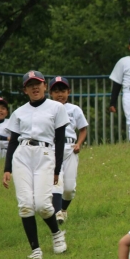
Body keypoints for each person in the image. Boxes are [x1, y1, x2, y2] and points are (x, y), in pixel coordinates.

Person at [2, 70, 70, 259]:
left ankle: (57, 234)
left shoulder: (57, 108)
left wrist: (57, 169)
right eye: (30, 85)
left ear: (44, 86)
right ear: (25, 90)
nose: (34, 87)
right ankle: (35, 249)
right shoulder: (19, 112)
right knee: (25, 205)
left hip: (45, 154)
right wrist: (7, 168)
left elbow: (60, 140)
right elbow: (13, 142)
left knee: (42, 204)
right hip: (22, 155)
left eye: (37, 83)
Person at [48, 76, 88, 224]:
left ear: (69, 92)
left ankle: (63, 209)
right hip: (52, 148)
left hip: (70, 149)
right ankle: (57, 212)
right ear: (50, 93)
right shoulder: (47, 109)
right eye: (56, 91)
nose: (60, 94)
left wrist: (79, 143)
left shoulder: (74, 109)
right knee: (56, 181)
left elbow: (83, 129)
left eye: (63, 90)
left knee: (70, 188)